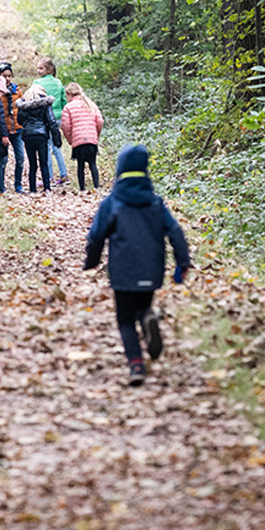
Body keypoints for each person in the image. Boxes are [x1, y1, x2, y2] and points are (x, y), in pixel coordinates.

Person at [83, 145, 191, 386]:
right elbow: (175, 232)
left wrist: (91, 261)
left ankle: (136, 364)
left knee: (124, 320)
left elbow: (96, 235)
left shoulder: (112, 202)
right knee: (143, 305)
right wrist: (182, 262)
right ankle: (147, 317)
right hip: (151, 268)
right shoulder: (155, 202)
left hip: (123, 270)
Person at [59, 82, 105, 191]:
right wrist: (95, 136)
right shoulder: (91, 104)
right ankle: (96, 187)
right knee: (93, 164)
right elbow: (100, 121)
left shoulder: (68, 107)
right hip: (91, 140)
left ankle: (82, 189)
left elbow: (65, 126)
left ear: (69, 93)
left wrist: (71, 140)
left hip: (78, 141)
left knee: (80, 166)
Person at [16, 82, 57, 193]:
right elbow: (51, 121)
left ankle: (32, 189)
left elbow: (19, 120)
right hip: (41, 135)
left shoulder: (24, 105)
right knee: (44, 162)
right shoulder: (45, 104)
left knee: (32, 164)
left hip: (28, 135)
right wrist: (57, 139)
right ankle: (47, 188)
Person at [35, 59, 71, 185]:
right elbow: (63, 100)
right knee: (56, 146)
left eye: (41, 68)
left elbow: (35, 100)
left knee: (46, 147)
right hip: (58, 118)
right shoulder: (58, 82)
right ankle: (63, 175)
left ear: (49, 70)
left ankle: (49, 177)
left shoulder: (37, 83)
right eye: (38, 68)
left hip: (45, 118)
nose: (38, 71)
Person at [0, 63, 27, 193]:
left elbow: (23, 107)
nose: (7, 79)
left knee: (20, 157)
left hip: (17, 129)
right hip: (4, 130)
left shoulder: (16, 90)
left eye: (9, 76)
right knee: (3, 159)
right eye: (4, 76)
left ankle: (18, 185)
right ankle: (0, 185)